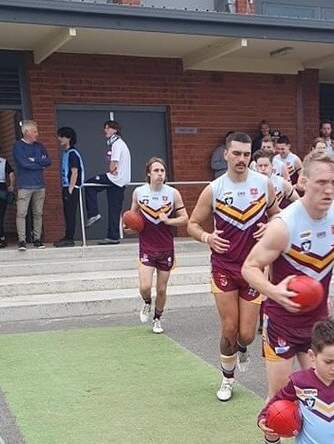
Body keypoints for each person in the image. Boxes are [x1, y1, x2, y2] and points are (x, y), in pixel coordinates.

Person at [242, 150, 334, 444]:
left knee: (322, 392)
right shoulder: (284, 225)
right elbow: (249, 267)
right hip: (281, 323)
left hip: (317, 325)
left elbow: (323, 265)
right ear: (302, 182)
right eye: (320, 182)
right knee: (281, 397)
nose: (328, 189)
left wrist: (323, 295)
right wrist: (274, 291)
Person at [188, 132, 279, 402]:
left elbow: (277, 214)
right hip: (224, 268)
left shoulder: (264, 184)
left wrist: (271, 225)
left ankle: (242, 347)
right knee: (229, 327)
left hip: (254, 268)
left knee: (247, 335)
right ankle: (227, 379)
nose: (241, 159)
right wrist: (207, 237)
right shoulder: (214, 189)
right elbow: (192, 223)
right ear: (226, 154)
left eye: (246, 154)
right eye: (236, 153)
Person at [130, 157, 188, 334]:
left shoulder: (172, 193)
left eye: (162, 171)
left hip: (166, 248)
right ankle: (147, 303)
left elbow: (185, 218)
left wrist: (169, 220)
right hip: (147, 246)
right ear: (148, 173)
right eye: (156, 170)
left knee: (161, 289)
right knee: (145, 287)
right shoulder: (139, 192)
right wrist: (129, 227)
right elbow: (130, 216)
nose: (160, 174)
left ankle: (157, 318)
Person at [84, 120, 131, 245]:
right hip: (121, 181)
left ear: (114, 130)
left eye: (107, 128)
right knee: (114, 209)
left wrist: (112, 169)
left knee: (89, 184)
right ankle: (113, 236)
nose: (105, 130)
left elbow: (113, 163)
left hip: (115, 178)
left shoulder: (116, 144)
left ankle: (93, 213)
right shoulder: (122, 143)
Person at [13, 120, 52, 251]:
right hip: (24, 185)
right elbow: (24, 163)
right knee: (21, 213)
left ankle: (37, 239)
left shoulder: (39, 146)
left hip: (40, 185)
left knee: (38, 213)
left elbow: (48, 161)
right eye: (35, 131)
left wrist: (34, 160)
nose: (37, 134)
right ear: (27, 132)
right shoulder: (18, 146)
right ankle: (22, 240)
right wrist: (39, 162)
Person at [54, 126, 85, 248]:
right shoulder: (66, 153)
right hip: (67, 186)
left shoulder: (72, 154)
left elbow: (74, 172)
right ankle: (67, 236)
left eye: (61, 136)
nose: (59, 139)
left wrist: (71, 189)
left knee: (71, 213)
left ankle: (70, 238)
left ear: (69, 138)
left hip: (72, 187)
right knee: (67, 213)